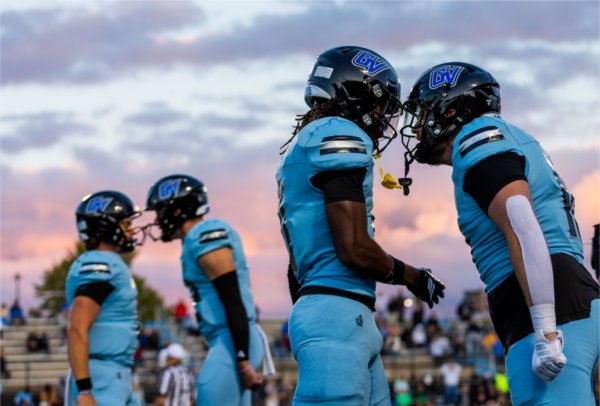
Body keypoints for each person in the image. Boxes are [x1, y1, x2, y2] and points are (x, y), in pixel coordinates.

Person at [401, 62, 599, 405]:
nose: (416, 129)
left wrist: (546, 330)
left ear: (450, 109)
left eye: (422, 114)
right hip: (568, 297)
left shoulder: (476, 139)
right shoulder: (508, 138)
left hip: (550, 306)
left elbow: (522, 225)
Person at [276, 45, 445, 404]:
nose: (384, 118)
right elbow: (352, 246)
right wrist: (414, 277)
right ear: (358, 95)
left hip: (341, 312)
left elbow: (297, 270)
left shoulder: (308, 142)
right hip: (336, 314)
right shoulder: (337, 133)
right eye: (382, 104)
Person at [145, 174, 274, 405]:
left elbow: (231, 296)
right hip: (230, 338)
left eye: (161, 211)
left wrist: (242, 358)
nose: (158, 219)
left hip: (232, 339)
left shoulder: (204, 233)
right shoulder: (196, 238)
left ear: (177, 210)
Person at [65, 191, 141, 406]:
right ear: (107, 227)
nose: (131, 230)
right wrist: (84, 390)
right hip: (102, 377)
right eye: (125, 224)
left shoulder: (110, 264)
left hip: (115, 374)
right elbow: (77, 328)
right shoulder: (99, 263)